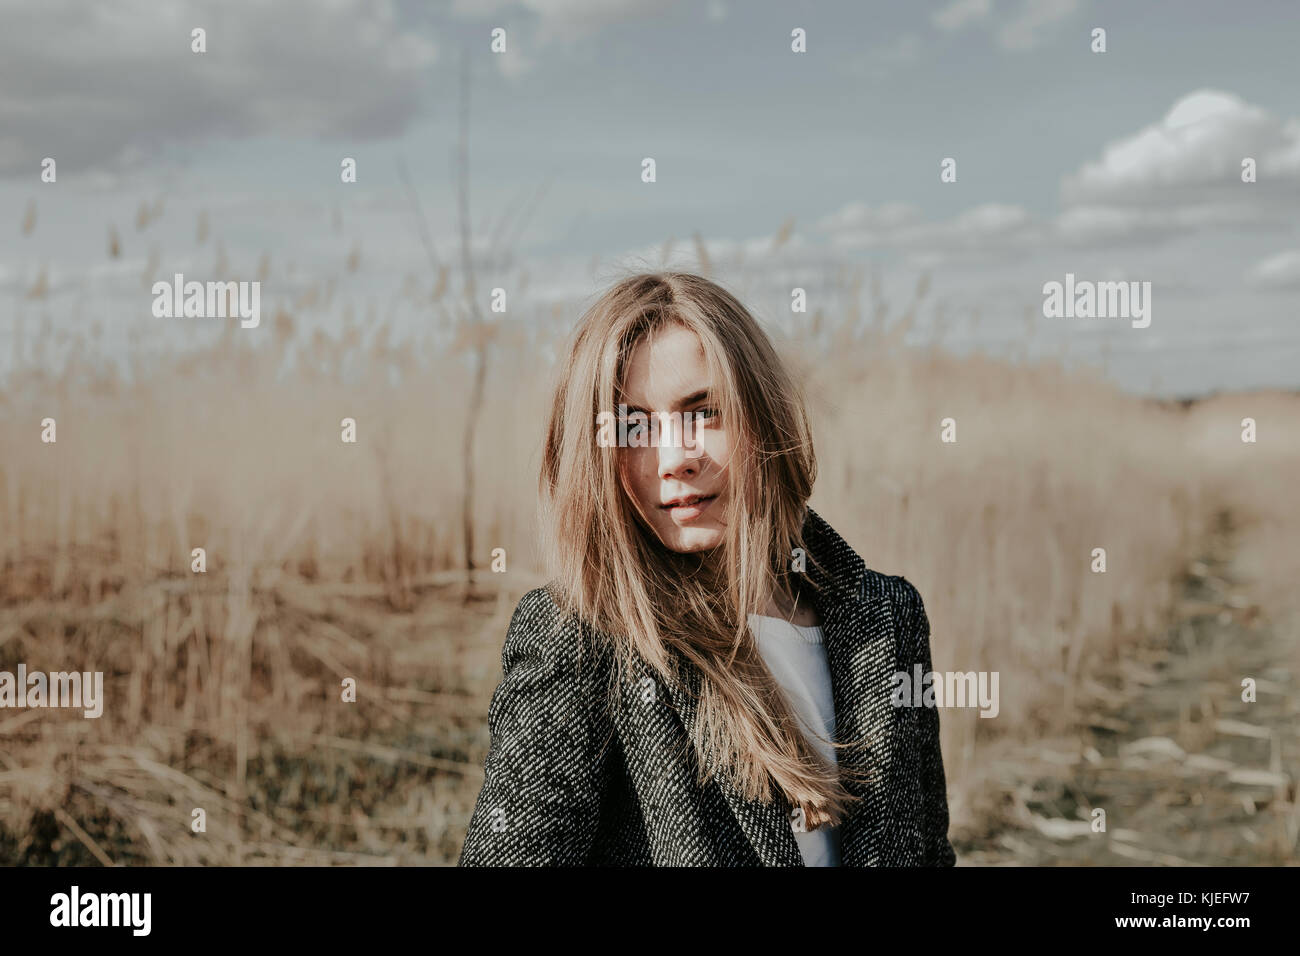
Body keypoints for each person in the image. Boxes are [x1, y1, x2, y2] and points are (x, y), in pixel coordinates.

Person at [459, 271, 955, 866]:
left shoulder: (887, 619)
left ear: (763, 417)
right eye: (635, 426)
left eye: (705, 411)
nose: (676, 459)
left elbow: (928, 853)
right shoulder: (584, 635)